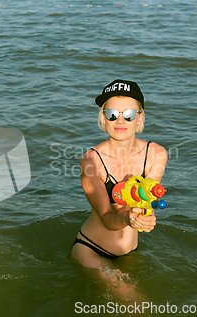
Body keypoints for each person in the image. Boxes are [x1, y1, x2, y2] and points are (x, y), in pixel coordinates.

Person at [70, 79, 168, 297]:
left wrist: (146, 216)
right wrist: (128, 219)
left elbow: (146, 200)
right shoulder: (91, 161)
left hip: (130, 252)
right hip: (91, 249)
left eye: (129, 115)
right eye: (112, 114)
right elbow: (106, 216)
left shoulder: (156, 154)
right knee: (139, 306)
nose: (120, 120)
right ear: (103, 118)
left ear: (140, 118)